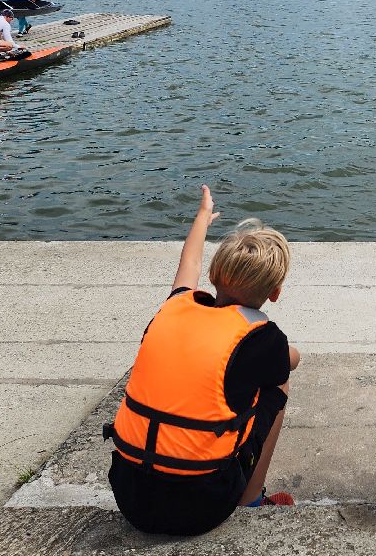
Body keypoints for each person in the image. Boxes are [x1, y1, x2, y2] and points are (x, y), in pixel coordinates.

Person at [107, 186, 301, 536]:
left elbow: (189, 264)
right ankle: (252, 497)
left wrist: (202, 218)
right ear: (275, 293)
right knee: (278, 383)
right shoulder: (263, 338)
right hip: (201, 506)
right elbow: (290, 361)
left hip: (130, 494)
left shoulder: (175, 306)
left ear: (213, 278)